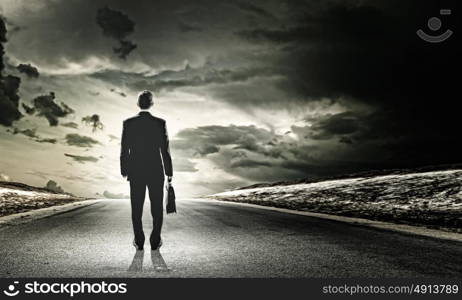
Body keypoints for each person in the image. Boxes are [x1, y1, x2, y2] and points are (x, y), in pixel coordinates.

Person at [120, 90, 173, 251]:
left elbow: (124, 149)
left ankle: (139, 240)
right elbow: (165, 150)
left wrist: (125, 170)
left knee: (136, 207)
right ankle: (155, 240)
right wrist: (169, 172)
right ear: (151, 104)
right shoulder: (160, 123)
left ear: (138, 104)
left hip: (136, 172)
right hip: (155, 171)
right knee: (157, 207)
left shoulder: (128, 123)